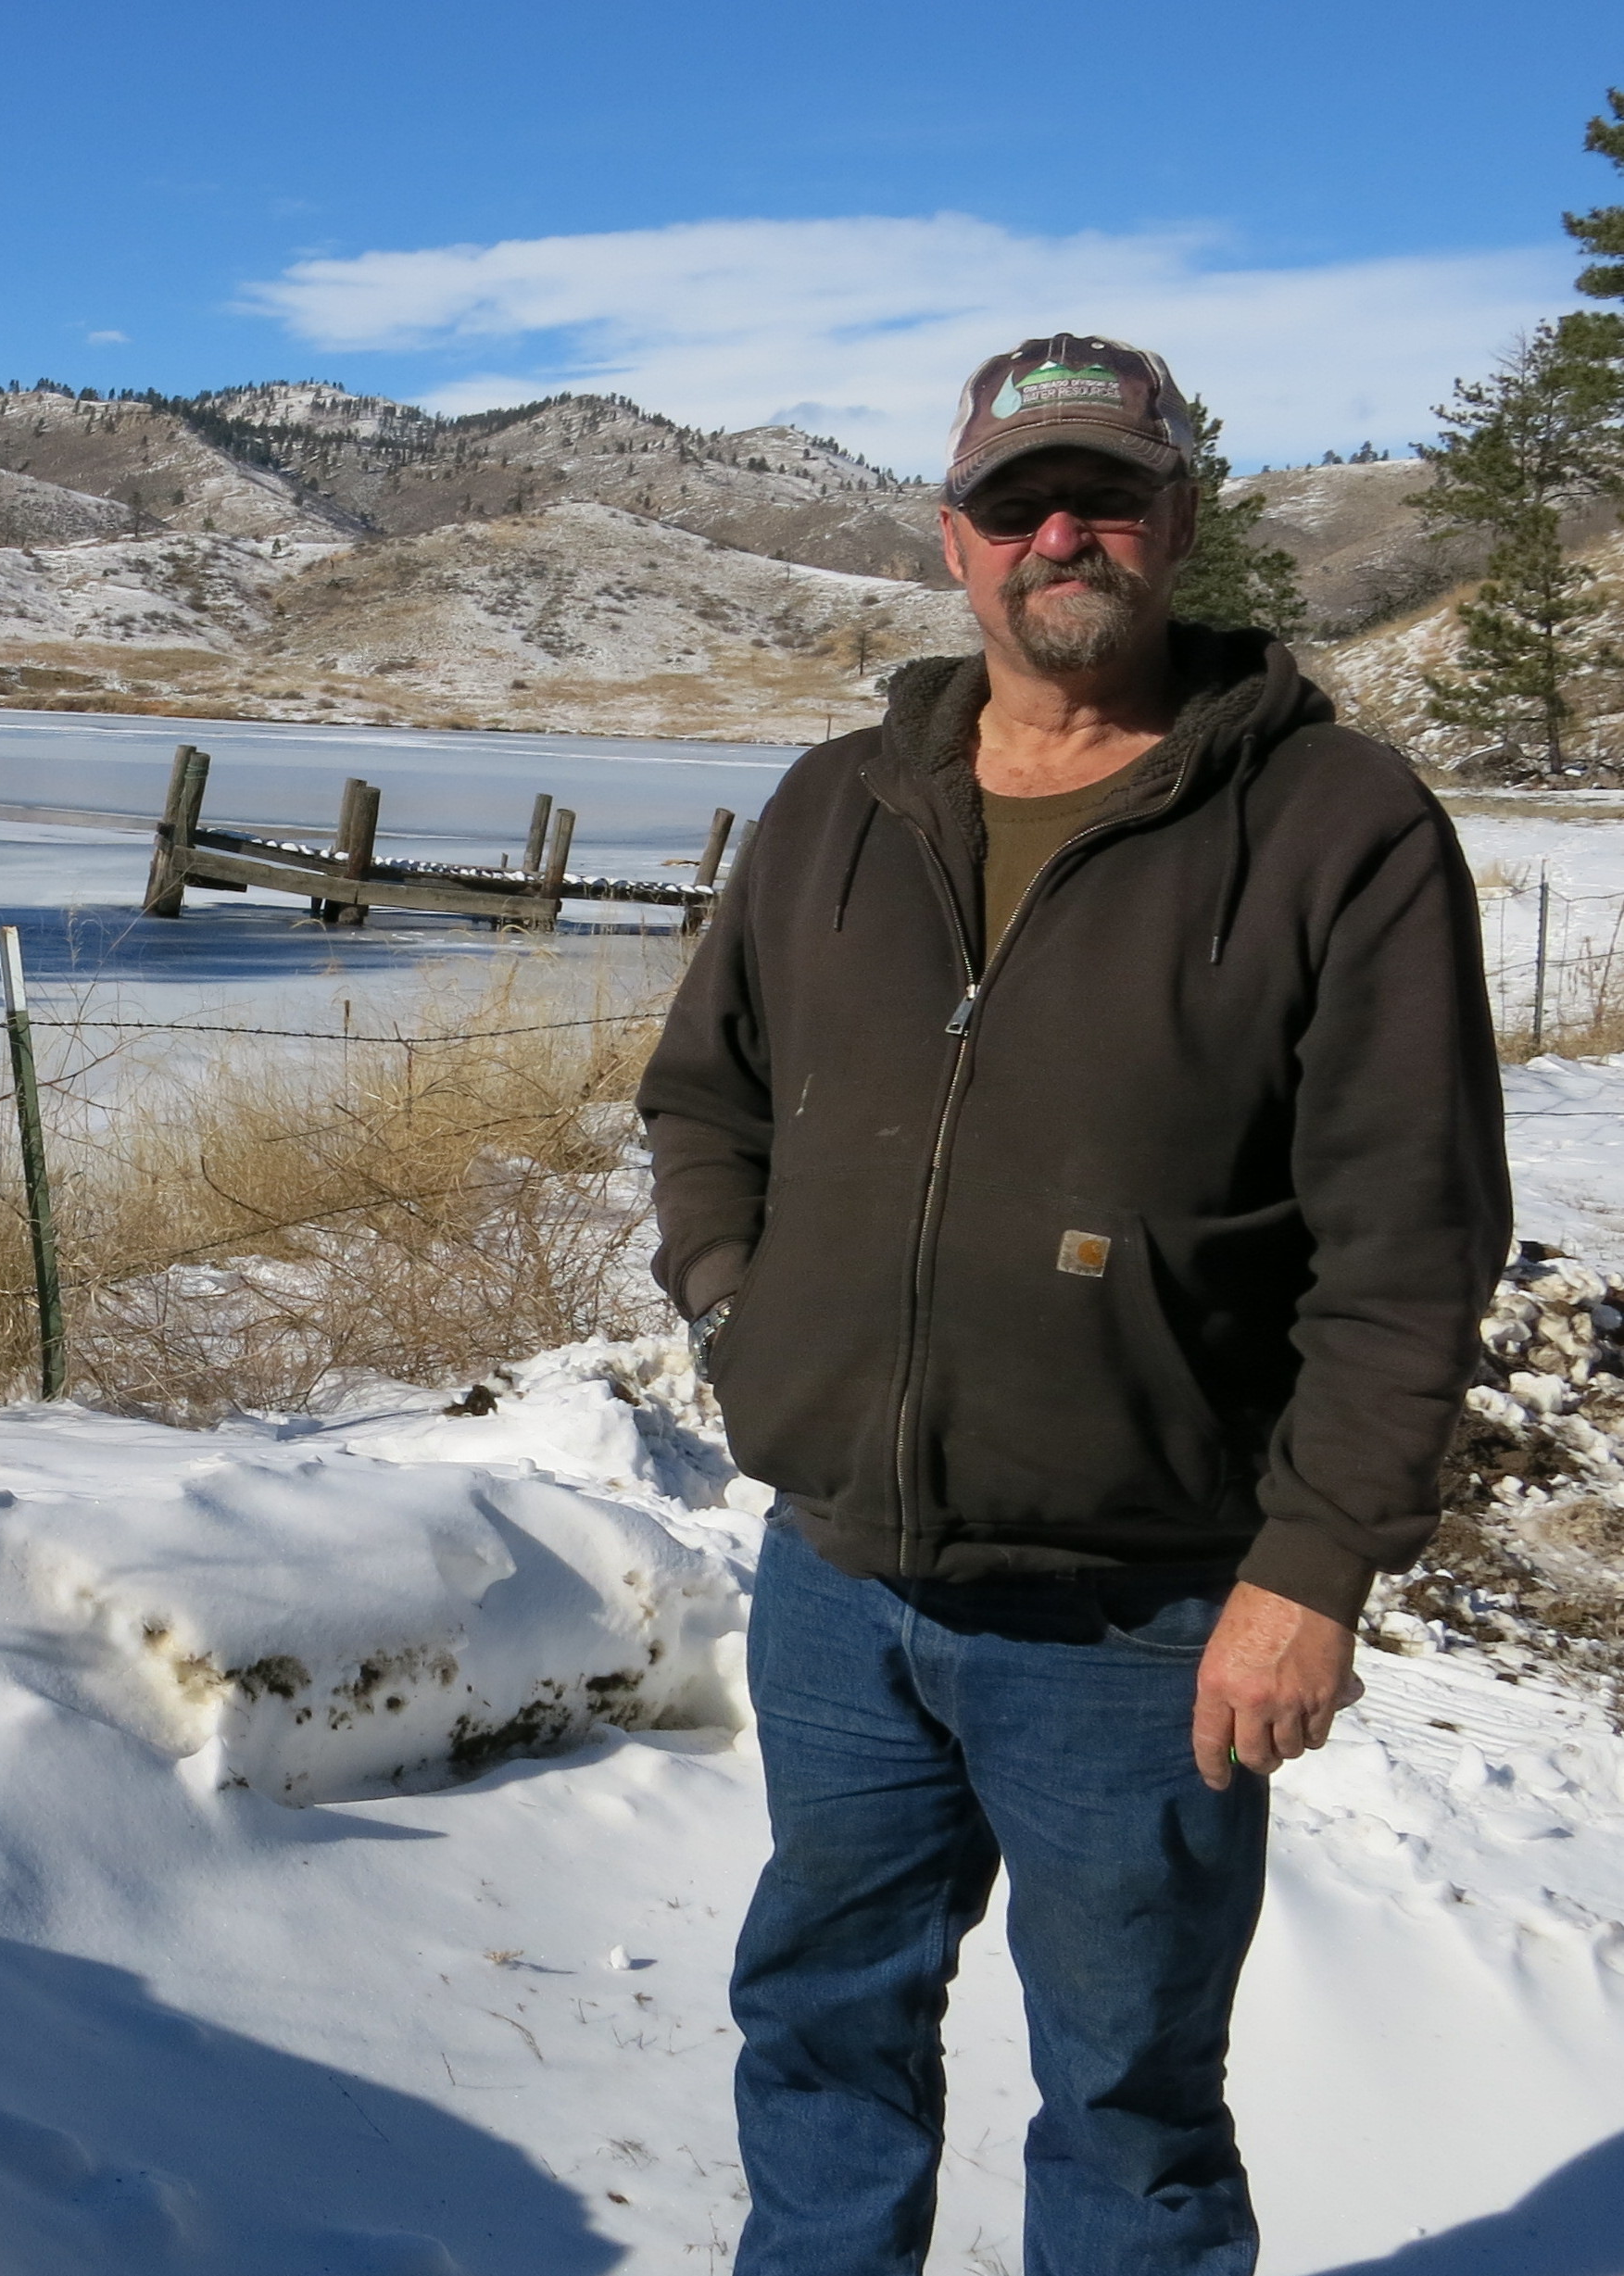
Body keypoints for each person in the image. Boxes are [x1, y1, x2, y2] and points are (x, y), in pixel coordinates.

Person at [636, 333, 1510, 2275]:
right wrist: (739, 1308)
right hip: (841, 1580)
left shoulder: (1337, 826)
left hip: (1144, 1612)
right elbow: (703, 1095)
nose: (1063, 533)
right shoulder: (837, 807)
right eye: (1020, 501)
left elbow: (1411, 1245)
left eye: (1105, 495)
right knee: (820, 2028)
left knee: (1127, 2096)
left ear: (1180, 522)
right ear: (954, 540)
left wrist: (1311, 1571)